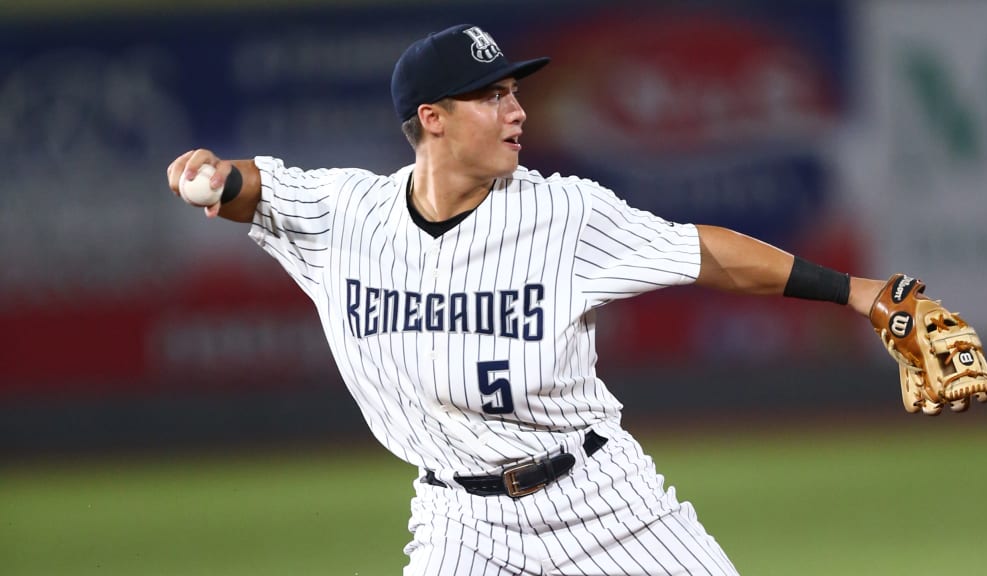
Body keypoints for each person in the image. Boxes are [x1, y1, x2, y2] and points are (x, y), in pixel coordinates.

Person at [167, 24, 886, 576]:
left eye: (514, 92)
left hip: (604, 503)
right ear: (434, 118)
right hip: (459, 520)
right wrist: (210, 173)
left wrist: (858, 293)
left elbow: (707, 253)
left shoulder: (564, 213)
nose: (516, 111)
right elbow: (254, 186)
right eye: (491, 95)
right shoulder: (344, 213)